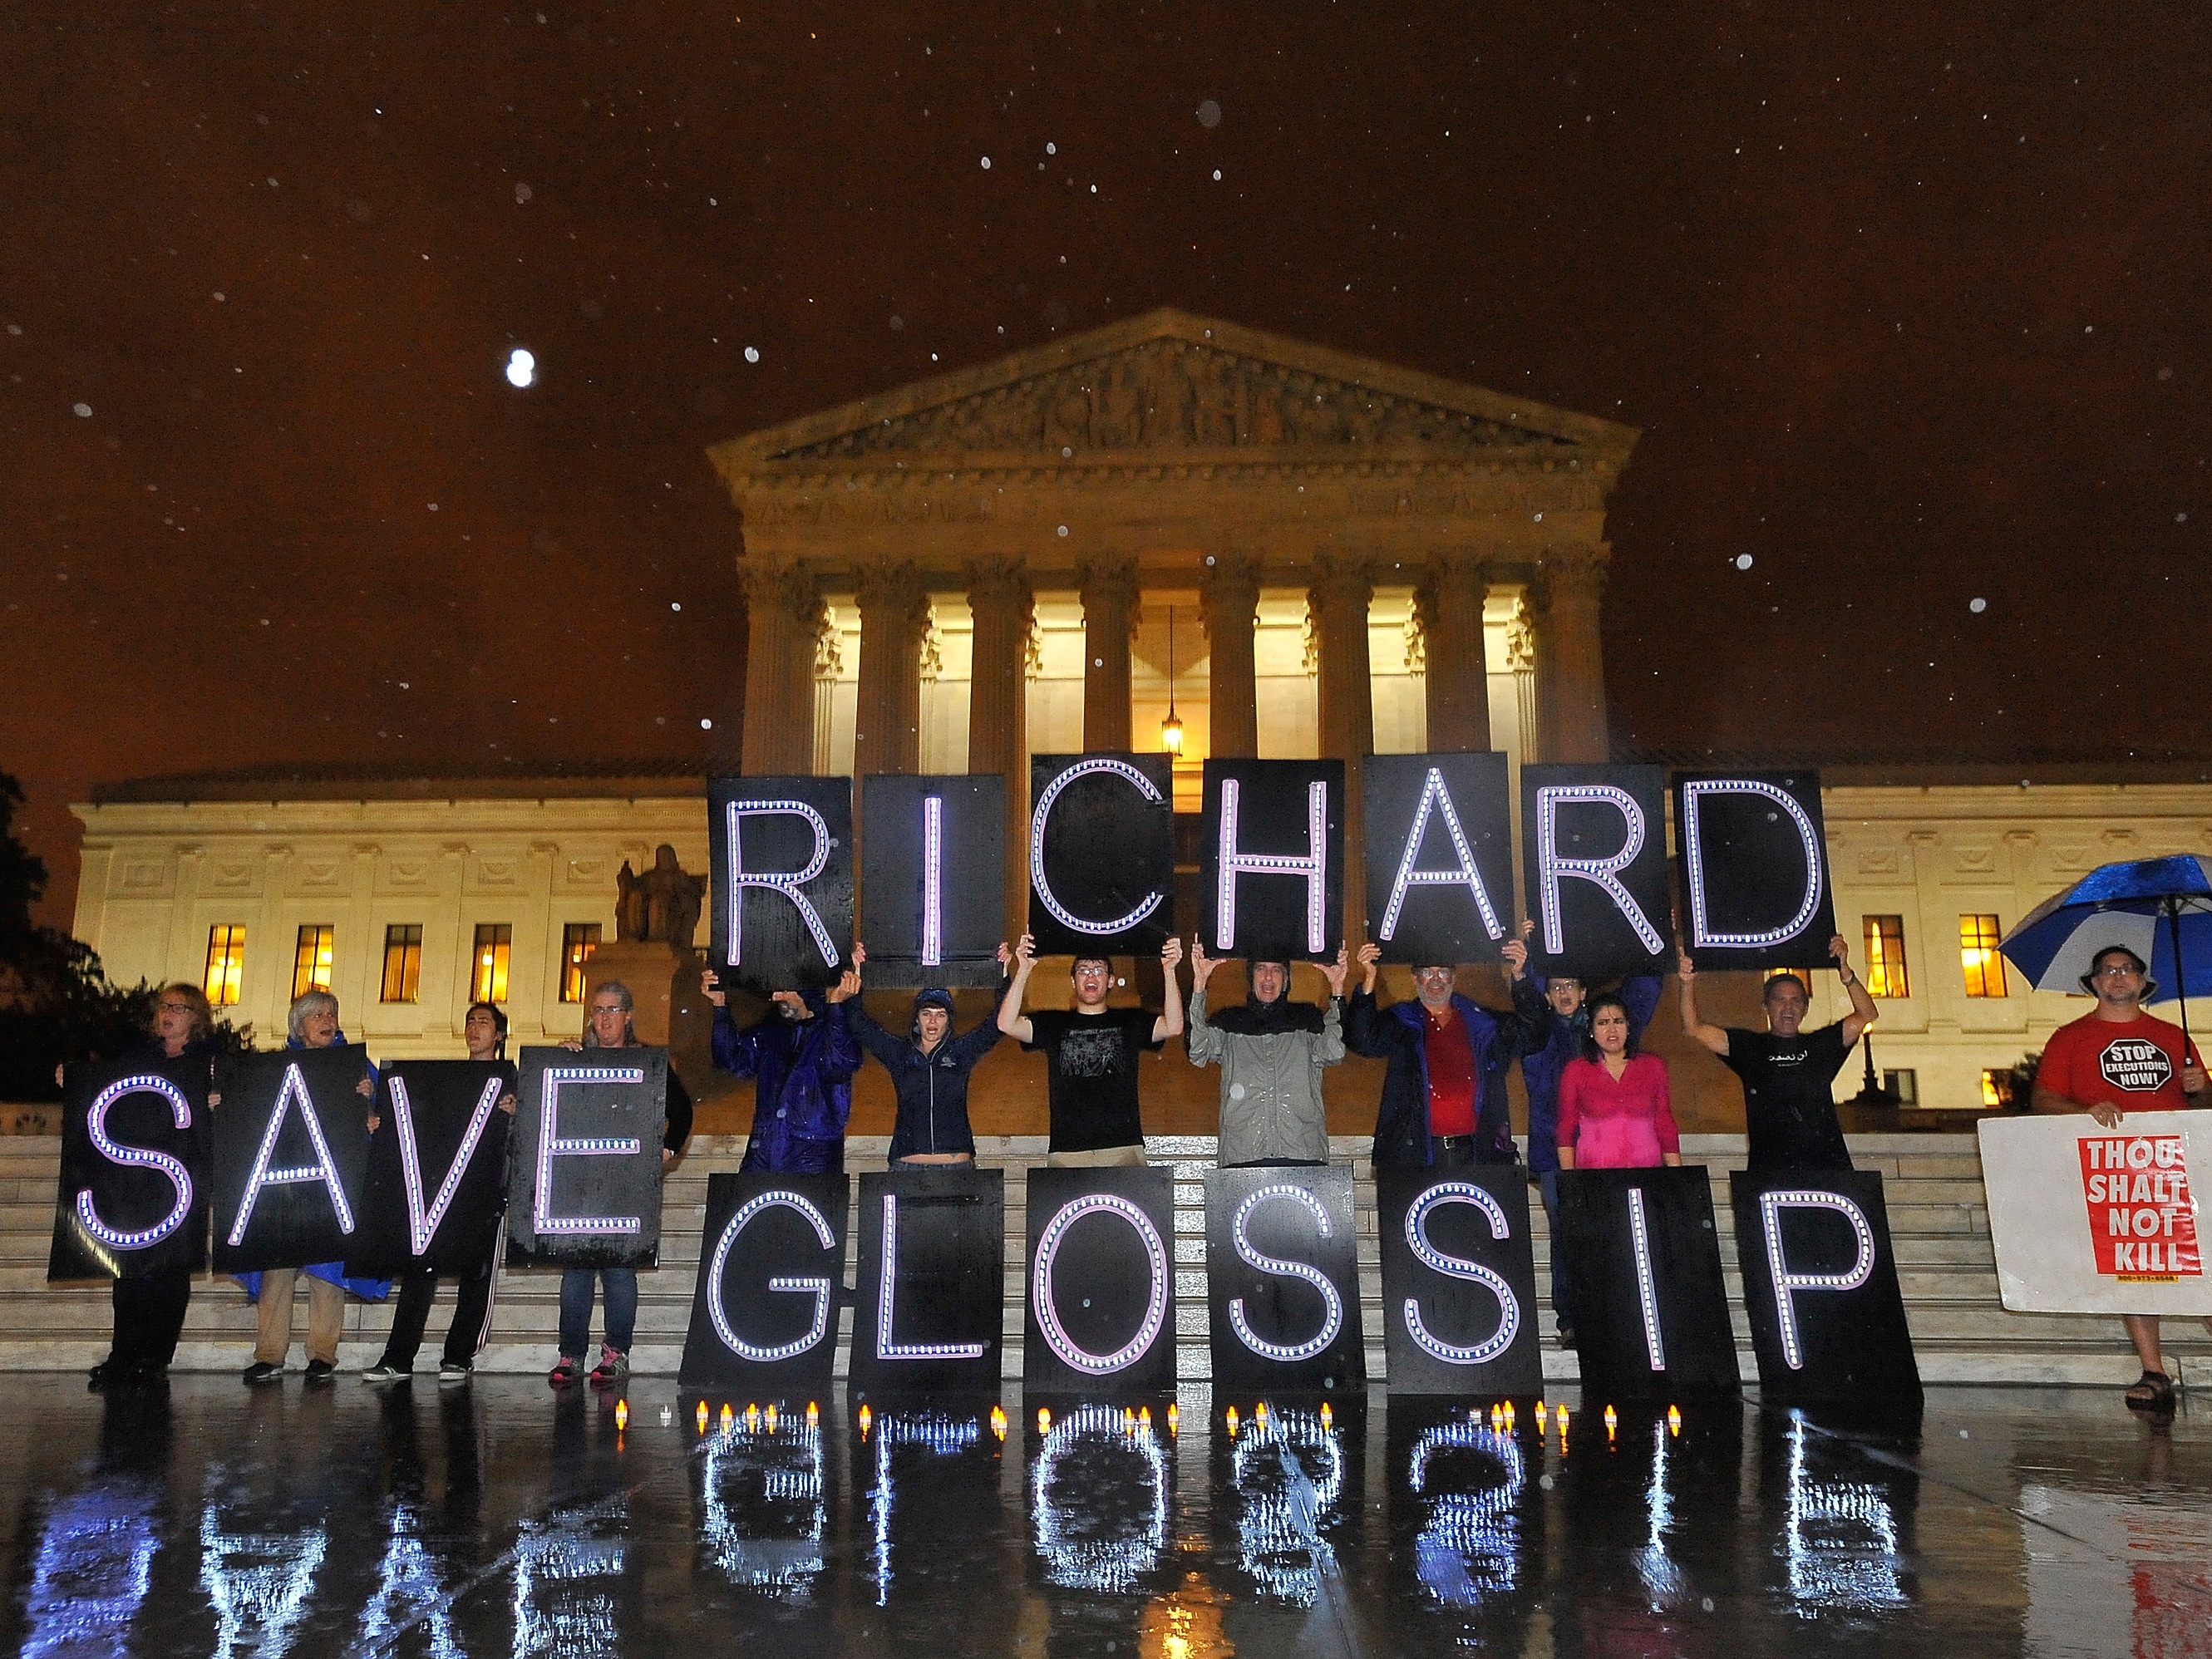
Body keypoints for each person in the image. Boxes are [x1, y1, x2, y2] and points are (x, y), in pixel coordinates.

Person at [2030, 943, 2208, 1412]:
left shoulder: (2175, 1036)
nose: (2117, 977)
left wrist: (2202, 1088)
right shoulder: (2068, 1038)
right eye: (2107, 971)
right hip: (2114, 1172)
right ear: (2093, 983)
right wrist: (2085, 1109)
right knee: (2136, 1268)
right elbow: (2043, 1100)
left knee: (2204, 1265)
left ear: (2142, 981)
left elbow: (2203, 1108)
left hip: (2177, 1166)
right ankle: (2154, 1372)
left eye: (2127, 970)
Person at [1518, 926, 1663, 1345]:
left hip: (1608, 1149)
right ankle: (1572, 1321)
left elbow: (1644, 987)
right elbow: (1522, 990)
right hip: (1554, 1153)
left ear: (1583, 991)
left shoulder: (1601, 1027)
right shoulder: (1536, 1030)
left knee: (1614, 1232)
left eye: (1571, 986)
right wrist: (1530, 947)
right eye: (1556, 986)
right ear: (1546, 994)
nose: (1563, 993)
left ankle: (1617, 1311)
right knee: (1567, 1235)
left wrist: (1652, 929)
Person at [235, 989, 390, 1385]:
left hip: (332, 1183)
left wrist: (373, 1111)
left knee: (327, 1271)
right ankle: (269, 1355)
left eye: (331, 1013)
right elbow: (249, 1114)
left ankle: (323, 1354)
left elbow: (387, 1118)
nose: (327, 1020)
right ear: (298, 1025)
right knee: (277, 1271)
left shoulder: (356, 1067)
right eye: (317, 1014)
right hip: (284, 1184)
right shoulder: (272, 1067)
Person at [548, 981, 695, 1389]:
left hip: (626, 1185)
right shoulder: (576, 1058)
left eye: (613, 1010)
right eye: (598, 1010)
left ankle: (616, 1352)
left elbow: (682, 1113)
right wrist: (557, 1064)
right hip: (579, 1183)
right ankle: (571, 1354)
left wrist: (665, 1151)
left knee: (618, 1270)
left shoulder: (649, 1061)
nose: (605, 1018)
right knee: (576, 1270)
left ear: (628, 1016)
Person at [361, 1002, 516, 1386]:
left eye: (484, 1022)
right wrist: (378, 1117)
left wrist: (515, 1114)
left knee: (476, 1274)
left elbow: (526, 1134)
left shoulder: (512, 1080)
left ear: (498, 1035)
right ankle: (399, 1356)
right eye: (470, 1021)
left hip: (484, 1189)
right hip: (438, 1190)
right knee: (419, 1270)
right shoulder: (445, 1077)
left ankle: (459, 1355)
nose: (475, 1028)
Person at [78, 982, 217, 1391]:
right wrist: (75, 1078)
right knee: (129, 1270)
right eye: (163, 1006)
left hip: (185, 1178)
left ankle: (156, 1358)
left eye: (178, 1007)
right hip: (136, 1177)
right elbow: (103, 1087)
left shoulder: (211, 1061)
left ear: (197, 1018)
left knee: (171, 1270)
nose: (166, 1013)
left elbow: (240, 1103)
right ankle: (123, 1354)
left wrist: (218, 1098)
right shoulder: (138, 1057)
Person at [1347, 934, 1550, 1170]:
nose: (1435, 980)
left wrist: (1520, 976)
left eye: (1443, 972)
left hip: (1477, 1155)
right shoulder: (1401, 1022)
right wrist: (1369, 979)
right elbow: (1362, 1040)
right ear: (1414, 978)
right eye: (1427, 972)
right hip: (1416, 1157)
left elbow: (1534, 1036)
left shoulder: (1482, 1024)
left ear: (1454, 977)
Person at [1677, 933, 1876, 1171]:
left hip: (1826, 1167)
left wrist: (1846, 973)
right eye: (1779, 1000)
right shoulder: (1750, 1047)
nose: (1788, 1007)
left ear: (1805, 1008)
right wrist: (1687, 982)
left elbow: (1866, 1014)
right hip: (1769, 1169)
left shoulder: (1821, 1045)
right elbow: (1693, 1028)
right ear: (1766, 1007)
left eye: (1795, 1001)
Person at [998, 933, 1185, 1167]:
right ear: (1074, 981)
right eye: (1083, 970)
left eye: (1098, 970)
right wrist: (1025, 969)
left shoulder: (1130, 1020)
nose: (1090, 975)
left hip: (1122, 1147)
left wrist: (1169, 971)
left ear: (1111, 981)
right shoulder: (1053, 1023)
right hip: (1068, 1151)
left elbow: (1174, 1026)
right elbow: (1006, 1024)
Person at [1185, 943, 1348, 1167]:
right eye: (1261, 969)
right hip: (1242, 1157)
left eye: (1277, 970)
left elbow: (1334, 1052)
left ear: (1286, 980)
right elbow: (1197, 1050)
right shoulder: (1229, 1022)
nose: (1268, 977)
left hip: (1303, 1155)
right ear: (1251, 978)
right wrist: (1199, 984)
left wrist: (1337, 989)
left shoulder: (1308, 1019)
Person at [843, 943, 1007, 1166]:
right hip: (908, 1167)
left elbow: (997, 1025)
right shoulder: (900, 1054)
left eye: (940, 1015)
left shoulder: (960, 1052)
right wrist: (857, 972)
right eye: (926, 1013)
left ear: (948, 1021)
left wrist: (1003, 973)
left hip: (956, 1168)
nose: (932, 1021)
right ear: (917, 1019)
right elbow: (859, 1026)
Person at [703, 962, 863, 1173]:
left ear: (805, 993)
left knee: (806, 1206)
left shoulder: (830, 1032)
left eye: (785, 990)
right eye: (775, 991)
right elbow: (731, 1059)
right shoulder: (771, 1032)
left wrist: (836, 1005)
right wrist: (720, 1006)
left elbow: (844, 1061)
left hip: (812, 1153)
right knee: (752, 1205)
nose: (776, 997)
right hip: (764, 1148)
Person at [1556, 992, 1682, 1169]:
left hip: (1647, 1173)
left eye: (1618, 1021)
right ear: (1591, 1031)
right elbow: (1566, 1129)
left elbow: (1665, 1124)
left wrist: (1679, 1179)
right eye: (1603, 1023)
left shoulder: (1653, 1066)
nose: (1612, 1029)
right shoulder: (1576, 1070)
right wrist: (1570, 1182)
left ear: (1628, 1026)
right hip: (1596, 1176)